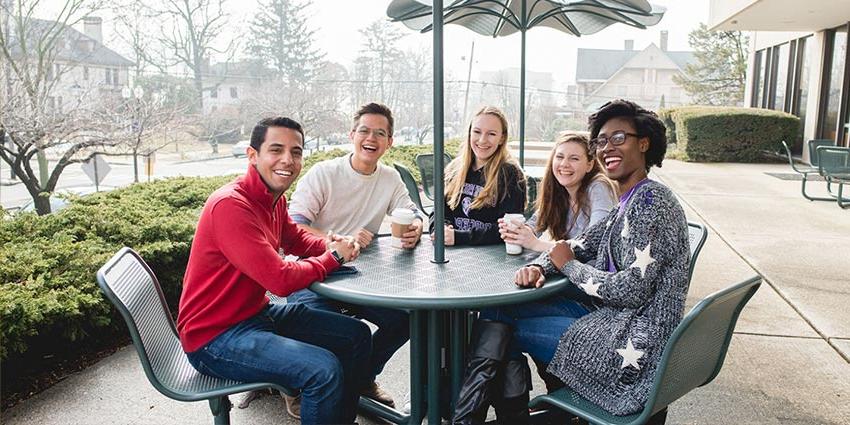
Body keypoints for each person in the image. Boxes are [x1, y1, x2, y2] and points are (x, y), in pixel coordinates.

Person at [452, 99, 690, 424]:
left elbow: (631, 291)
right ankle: (477, 419)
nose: (607, 148)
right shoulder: (630, 200)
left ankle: (481, 418)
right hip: (609, 320)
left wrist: (566, 266)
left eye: (619, 138)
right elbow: (580, 244)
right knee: (498, 310)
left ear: (645, 144)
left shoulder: (650, 203)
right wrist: (540, 266)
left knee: (500, 328)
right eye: (602, 140)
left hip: (630, 344)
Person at [176, 116, 371, 425]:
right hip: (214, 337)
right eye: (276, 150)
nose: (287, 160)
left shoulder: (272, 199)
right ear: (253, 156)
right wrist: (332, 258)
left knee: (356, 335)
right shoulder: (231, 206)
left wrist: (327, 244)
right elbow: (279, 279)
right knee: (322, 369)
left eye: (296, 152)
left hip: (254, 316)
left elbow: (294, 237)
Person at [287, 102, 421, 408]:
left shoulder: (389, 178)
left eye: (380, 133)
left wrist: (414, 227)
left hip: (360, 276)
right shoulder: (324, 173)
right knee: (327, 327)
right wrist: (337, 242)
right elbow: (294, 226)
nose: (371, 138)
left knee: (407, 319)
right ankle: (299, 387)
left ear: (390, 142)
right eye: (364, 130)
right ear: (352, 134)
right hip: (312, 274)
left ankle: (361, 378)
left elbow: (412, 213)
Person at [498, 132, 616, 253]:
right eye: (559, 157)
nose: (564, 164)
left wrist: (536, 244)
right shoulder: (560, 191)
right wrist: (519, 232)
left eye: (574, 158)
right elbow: (537, 222)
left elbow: (593, 243)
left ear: (589, 165)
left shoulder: (599, 186)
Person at [432, 106, 527, 246]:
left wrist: (460, 237)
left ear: (502, 138)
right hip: (452, 252)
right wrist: (440, 229)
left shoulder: (511, 174)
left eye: (491, 134)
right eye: (477, 132)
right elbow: (438, 210)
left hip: (492, 256)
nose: (482, 140)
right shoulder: (454, 169)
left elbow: (509, 230)